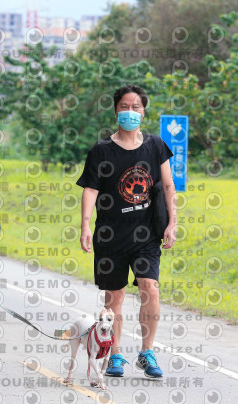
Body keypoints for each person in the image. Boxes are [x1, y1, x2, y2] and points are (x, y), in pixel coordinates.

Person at [76, 84, 178, 379]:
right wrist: (85, 224)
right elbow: (91, 189)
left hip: (146, 234)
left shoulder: (155, 146)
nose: (130, 112)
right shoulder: (101, 150)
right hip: (111, 235)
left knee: (150, 288)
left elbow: (168, 185)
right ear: (115, 111)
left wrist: (173, 222)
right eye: (124, 107)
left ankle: (147, 352)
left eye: (136, 107)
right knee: (115, 296)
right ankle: (115, 354)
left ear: (143, 112)